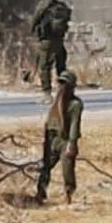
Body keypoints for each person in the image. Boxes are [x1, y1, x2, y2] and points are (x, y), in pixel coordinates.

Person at [36, 70, 83, 206]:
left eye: (64, 83)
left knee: (67, 170)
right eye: (60, 82)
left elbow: (74, 124)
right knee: (45, 167)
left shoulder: (75, 104)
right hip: (52, 140)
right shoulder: (56, 102)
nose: (61, 86)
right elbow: (49, 123)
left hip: (65, 141)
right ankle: (41, 193)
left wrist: (72, 143)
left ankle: (69, 195)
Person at [28, 0, 71, 104]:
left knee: (45, 67)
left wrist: (33, 31)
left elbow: (35, 20)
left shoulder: (43, 6)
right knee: (61, 66)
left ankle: (47, 94)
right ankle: (64, 91)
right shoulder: (62, 6)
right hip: (59, 40)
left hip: (46, 40)